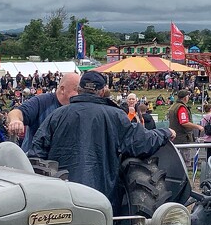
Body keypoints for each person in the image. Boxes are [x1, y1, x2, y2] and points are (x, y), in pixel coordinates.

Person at [28, 70, 175, 212]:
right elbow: (141, 143)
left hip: (60, 199)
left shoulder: (57, 115)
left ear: (79, 90)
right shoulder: (115, 115)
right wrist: (165, 132)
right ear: (102, 91)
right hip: (100, 198)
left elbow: (36, 154)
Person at [6, 72, 81, 151]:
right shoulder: (42, 102)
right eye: (76, 90)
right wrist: (15, 120)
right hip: (35, 160)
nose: (80, 95)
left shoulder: (79, 107)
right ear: (62, 89)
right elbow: (16, 112)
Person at [169, 90, 204, 169]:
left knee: (176, 160)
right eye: (188, 96)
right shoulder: (181, 108)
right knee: (184, 161)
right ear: (185, 98)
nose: (189, 98)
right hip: (182, 137)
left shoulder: (174, 106)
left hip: (175, 136)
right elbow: (184, 122)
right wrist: (198, 127)